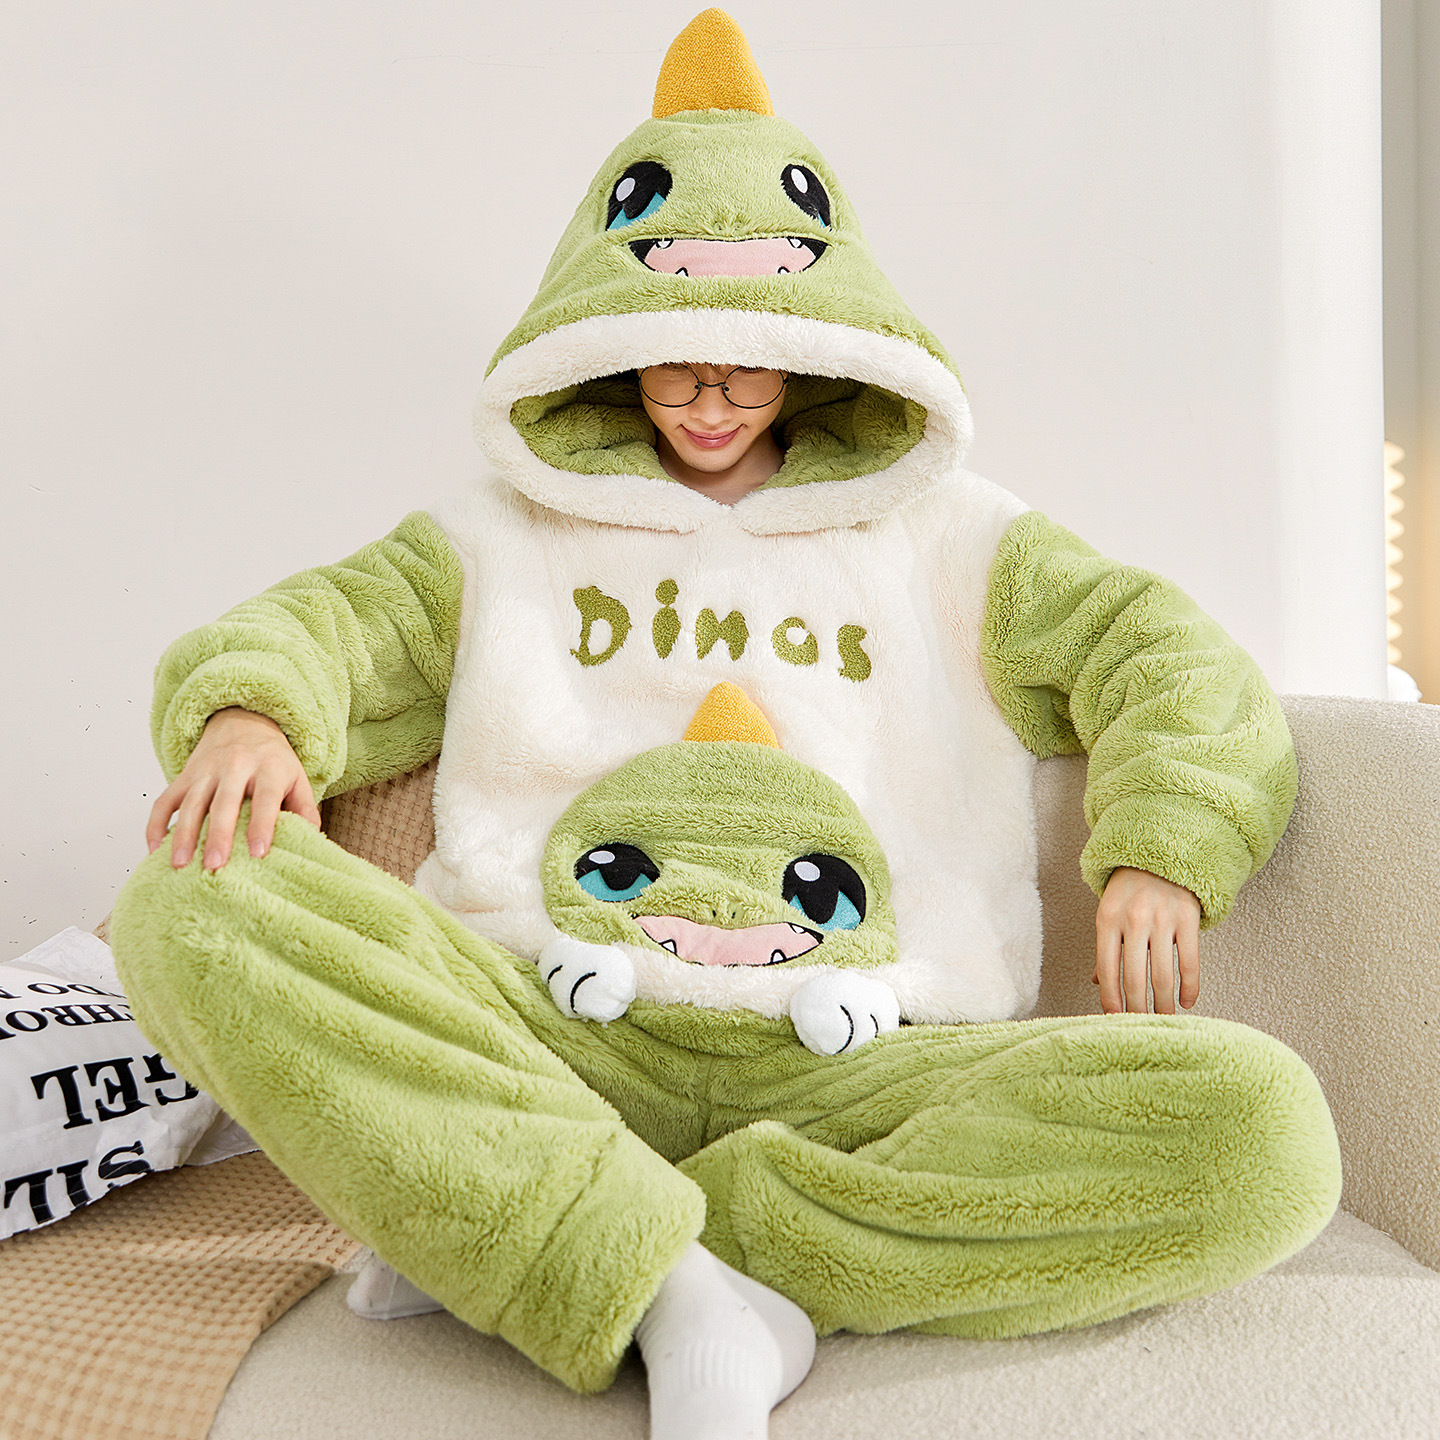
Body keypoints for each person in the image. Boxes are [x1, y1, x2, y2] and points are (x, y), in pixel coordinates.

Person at [109, 13, 1341, 1440]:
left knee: (1264, 1135)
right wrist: (252, 712)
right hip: (541, 1039)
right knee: (190, 902)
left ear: (816, 344)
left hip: (862, 1073)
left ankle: (556, 1228)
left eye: (746, 360)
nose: (708, 398)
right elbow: (327, 627)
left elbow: (1159, 649)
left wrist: (1163, 846)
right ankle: (667, 1289)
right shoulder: (498, 534)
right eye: (671, 358)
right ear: (606, 338)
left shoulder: (954, 538)